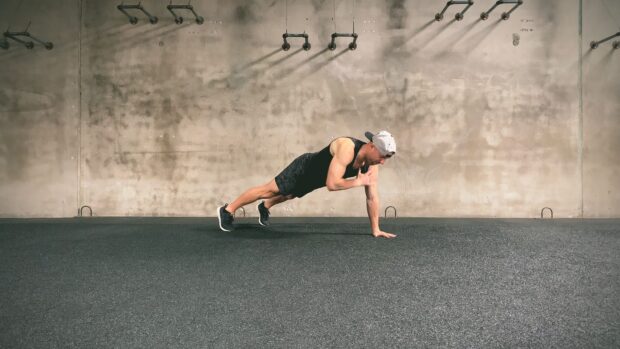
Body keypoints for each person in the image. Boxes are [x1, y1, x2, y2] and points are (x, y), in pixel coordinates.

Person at [217, 130, 397, 238]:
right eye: (382, 157)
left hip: (316, 179)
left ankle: (265, 207)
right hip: (304, 168)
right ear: (372, 146)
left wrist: (376, 229)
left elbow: (372, 197)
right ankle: (227, 210)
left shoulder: (372, 164)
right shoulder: (347, 147)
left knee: (289, 194)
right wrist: (358, 181)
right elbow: (332, 184)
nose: (382, 162)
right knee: (269, 190)